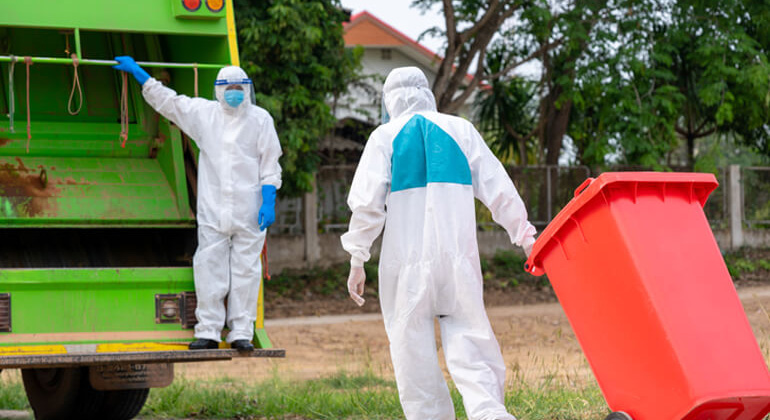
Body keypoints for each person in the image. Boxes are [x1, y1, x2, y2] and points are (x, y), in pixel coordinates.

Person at [341, 67, 536, 420]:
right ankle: (490, 413)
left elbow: (367, 205)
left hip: (404, 265)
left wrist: (358, 258)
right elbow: (497, 186)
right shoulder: (461, 130)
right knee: (470, 337)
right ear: (426, 92)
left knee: (411, 348)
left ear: (389, 100)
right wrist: (525, 236)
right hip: (457, 259)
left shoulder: (384, 137)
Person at [114, 56, 282, 352]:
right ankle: (208, 331)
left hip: (250, 212)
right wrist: (141, 76)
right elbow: (170, 102)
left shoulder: (260, 120)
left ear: (247, 89)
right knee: (209, 269)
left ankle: (241, 332)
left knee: (246, 272)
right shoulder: (205, 115)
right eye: (228, 87)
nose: (234, 93)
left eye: (239, 88)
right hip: (213, 210)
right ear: (218, 89)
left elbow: (270, 164)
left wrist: (268, 200)